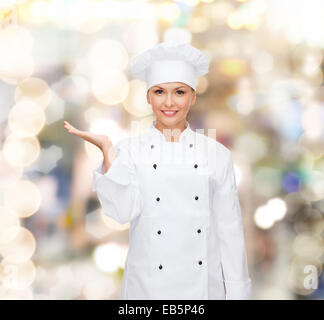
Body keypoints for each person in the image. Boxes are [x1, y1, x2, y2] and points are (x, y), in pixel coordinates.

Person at [64, 41, 252, 300]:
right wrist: (108, 151)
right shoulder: (129, 151)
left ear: (193, 97)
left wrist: (239, 294)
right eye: (160, 92)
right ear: (148, 97)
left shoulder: (217, 155)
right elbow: (121, 212)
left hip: (202, 292)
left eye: (180, 92)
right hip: (147, 290)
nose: (169, 102)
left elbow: (230, 234)